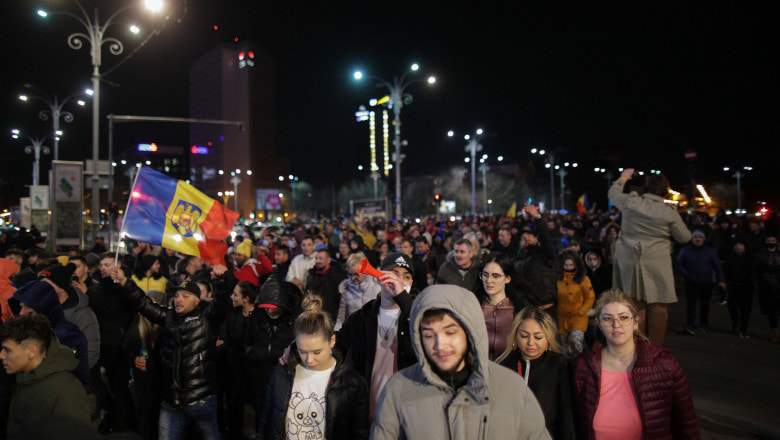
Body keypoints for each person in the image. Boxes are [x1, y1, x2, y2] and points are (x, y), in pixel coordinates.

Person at [371, 284, 550, 440]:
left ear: (469, 331)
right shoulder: (398, 389)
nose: (440, 345)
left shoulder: (512, 388)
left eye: (450, 332)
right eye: (428, 335)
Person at [112, 264, 229, 440]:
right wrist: (124, 281)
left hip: (201, 401)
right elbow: (144, 303)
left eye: (185, 296)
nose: (178, 299)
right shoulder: (168, 318)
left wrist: (220, 281)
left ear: (197, 300)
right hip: (172, 402)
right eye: (176, 296)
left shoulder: (207, 318)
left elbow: (221, 303)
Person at [573, 290, 700, 440]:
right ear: (599, 324)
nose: (616, 324)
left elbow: (687, 423)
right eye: (607, 319)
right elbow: (575, 421)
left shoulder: (664, 364)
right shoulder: (584, 366)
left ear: (635, 322)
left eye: (624, 317)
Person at [258, 295, 369, 439]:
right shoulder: (282, 372)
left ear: (332, 341)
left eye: (317, 352)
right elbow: (266, 420)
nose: (309, 360)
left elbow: (359, 433)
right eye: (302, 351)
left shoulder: (353, 383)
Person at [609, 168, 692, 345]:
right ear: (665, 191)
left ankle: (638, 348)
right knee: (659, 307)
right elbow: (685, 237)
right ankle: (654, 350)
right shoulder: (668, 212)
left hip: (630, 261)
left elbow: (613, 193)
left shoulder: (631, 202)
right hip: (657, 261)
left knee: (636, 306)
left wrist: (623, 178)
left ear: (645, 188)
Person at [335, 252, 418, 418]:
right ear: (379, 276)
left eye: (406, 276)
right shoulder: (361, 317)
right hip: (368, 407)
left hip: (406, 408)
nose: (399, 280)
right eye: (394, 273)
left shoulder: (418, 314)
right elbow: (335, 345)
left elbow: (421, 328)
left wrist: (402, 298)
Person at [0, 314, 93, 439]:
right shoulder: (22, 377)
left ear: (31, 351)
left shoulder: (66, 389)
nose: (1, 355)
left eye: (8, 350)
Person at [496, 307, 575, 440]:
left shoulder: (559, 365)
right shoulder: (503, 366)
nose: (530, 343)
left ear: (548, 338)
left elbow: (566, 414)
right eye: (524, 336)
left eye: (538, 337)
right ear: (515, 335)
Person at [9, 280, 89, 385]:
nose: (21, 312)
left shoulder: (66, 335)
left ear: (44, 310)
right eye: (21, 306)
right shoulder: (38, 330)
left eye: (28, 308)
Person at [475, 254, 525, 360]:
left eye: (496, 276)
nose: (489, 280)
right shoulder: (473, 306)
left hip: (510, 369)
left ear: (507, 279)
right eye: (485, 275)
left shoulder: (519, 309)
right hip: (479, 368)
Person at [676, 230, 726, 335]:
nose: (698, 239)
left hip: (706, 282)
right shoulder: (686, 250)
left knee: (705, 304)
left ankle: (703, 324)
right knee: (691, 305)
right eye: (695, 237)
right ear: (692, 239)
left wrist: (721, 280)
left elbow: (717, 266)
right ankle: (690, 324)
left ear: (704, 239)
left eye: (700, 237)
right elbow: (679, 264)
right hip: (691, 282)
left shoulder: (710, 251)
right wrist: (687, 275)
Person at [515, 204, 559, 309]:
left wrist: (538, 218)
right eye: (523, 238)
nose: (526, 239)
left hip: (548, 306)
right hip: (529, 307)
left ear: (536, 238)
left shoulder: (543, 253)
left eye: (529, 236)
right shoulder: (517, 258)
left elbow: (546, 240)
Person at [556, 252, 595, 355]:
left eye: (571, 265)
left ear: (576, 264)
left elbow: (590, 297)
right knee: (562, 349)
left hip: (578, 317)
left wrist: (582, 311)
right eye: (566, 265)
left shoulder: (583, 279)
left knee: (576, 347)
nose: (568, 267)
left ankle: (579, 368)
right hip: (562, 319)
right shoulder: (558, 280)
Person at [335, 252, 382, 330]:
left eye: (356, 274)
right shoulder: (345, 289)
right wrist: (336, 333)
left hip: (374, 332)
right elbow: (341, 318)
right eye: (350, 274)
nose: (353, 278)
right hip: (354, 332)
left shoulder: (378, 287)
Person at [305, 247, 347, 321]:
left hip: (331, 317)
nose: (317, 261)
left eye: (321, 258)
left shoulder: (338, 277)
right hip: (314, 315)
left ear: (328, 260)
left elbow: (342, 301)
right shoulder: (311, 275)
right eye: (316, 258)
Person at [724, 241, 753, 338]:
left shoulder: (749, 259)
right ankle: (736, 322)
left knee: (745, 309)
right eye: (737, 247)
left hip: (746, 287)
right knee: (732, 306)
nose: (739, 248)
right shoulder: (729, 258)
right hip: (733, 285)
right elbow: (726, 271)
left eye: (741, 247)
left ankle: (743, 330)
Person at [754, 235, 780, 342]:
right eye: (769, 241)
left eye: (773, 241)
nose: (771, 242)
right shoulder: (760, 255)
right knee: (771, 310)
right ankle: (773, 331)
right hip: (766, 285)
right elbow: (756, 270)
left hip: (778, 284)